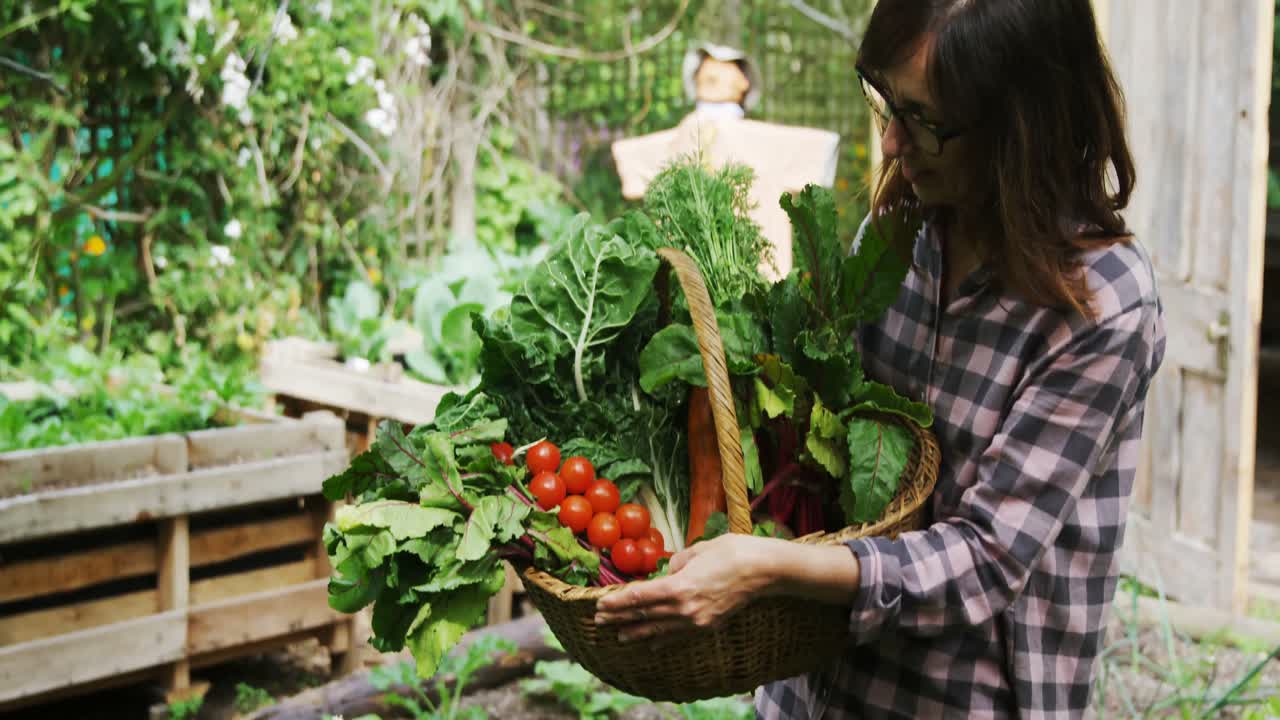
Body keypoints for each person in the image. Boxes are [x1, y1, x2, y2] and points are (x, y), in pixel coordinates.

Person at [593, 1, 1166, 718]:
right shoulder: (902, 231)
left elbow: (986, 560)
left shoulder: (1101, 304)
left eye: (925, 120)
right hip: (815, 683)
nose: (892, 143)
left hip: (963, 696)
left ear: (1022, 125)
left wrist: (768, 566)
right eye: (886, 101)